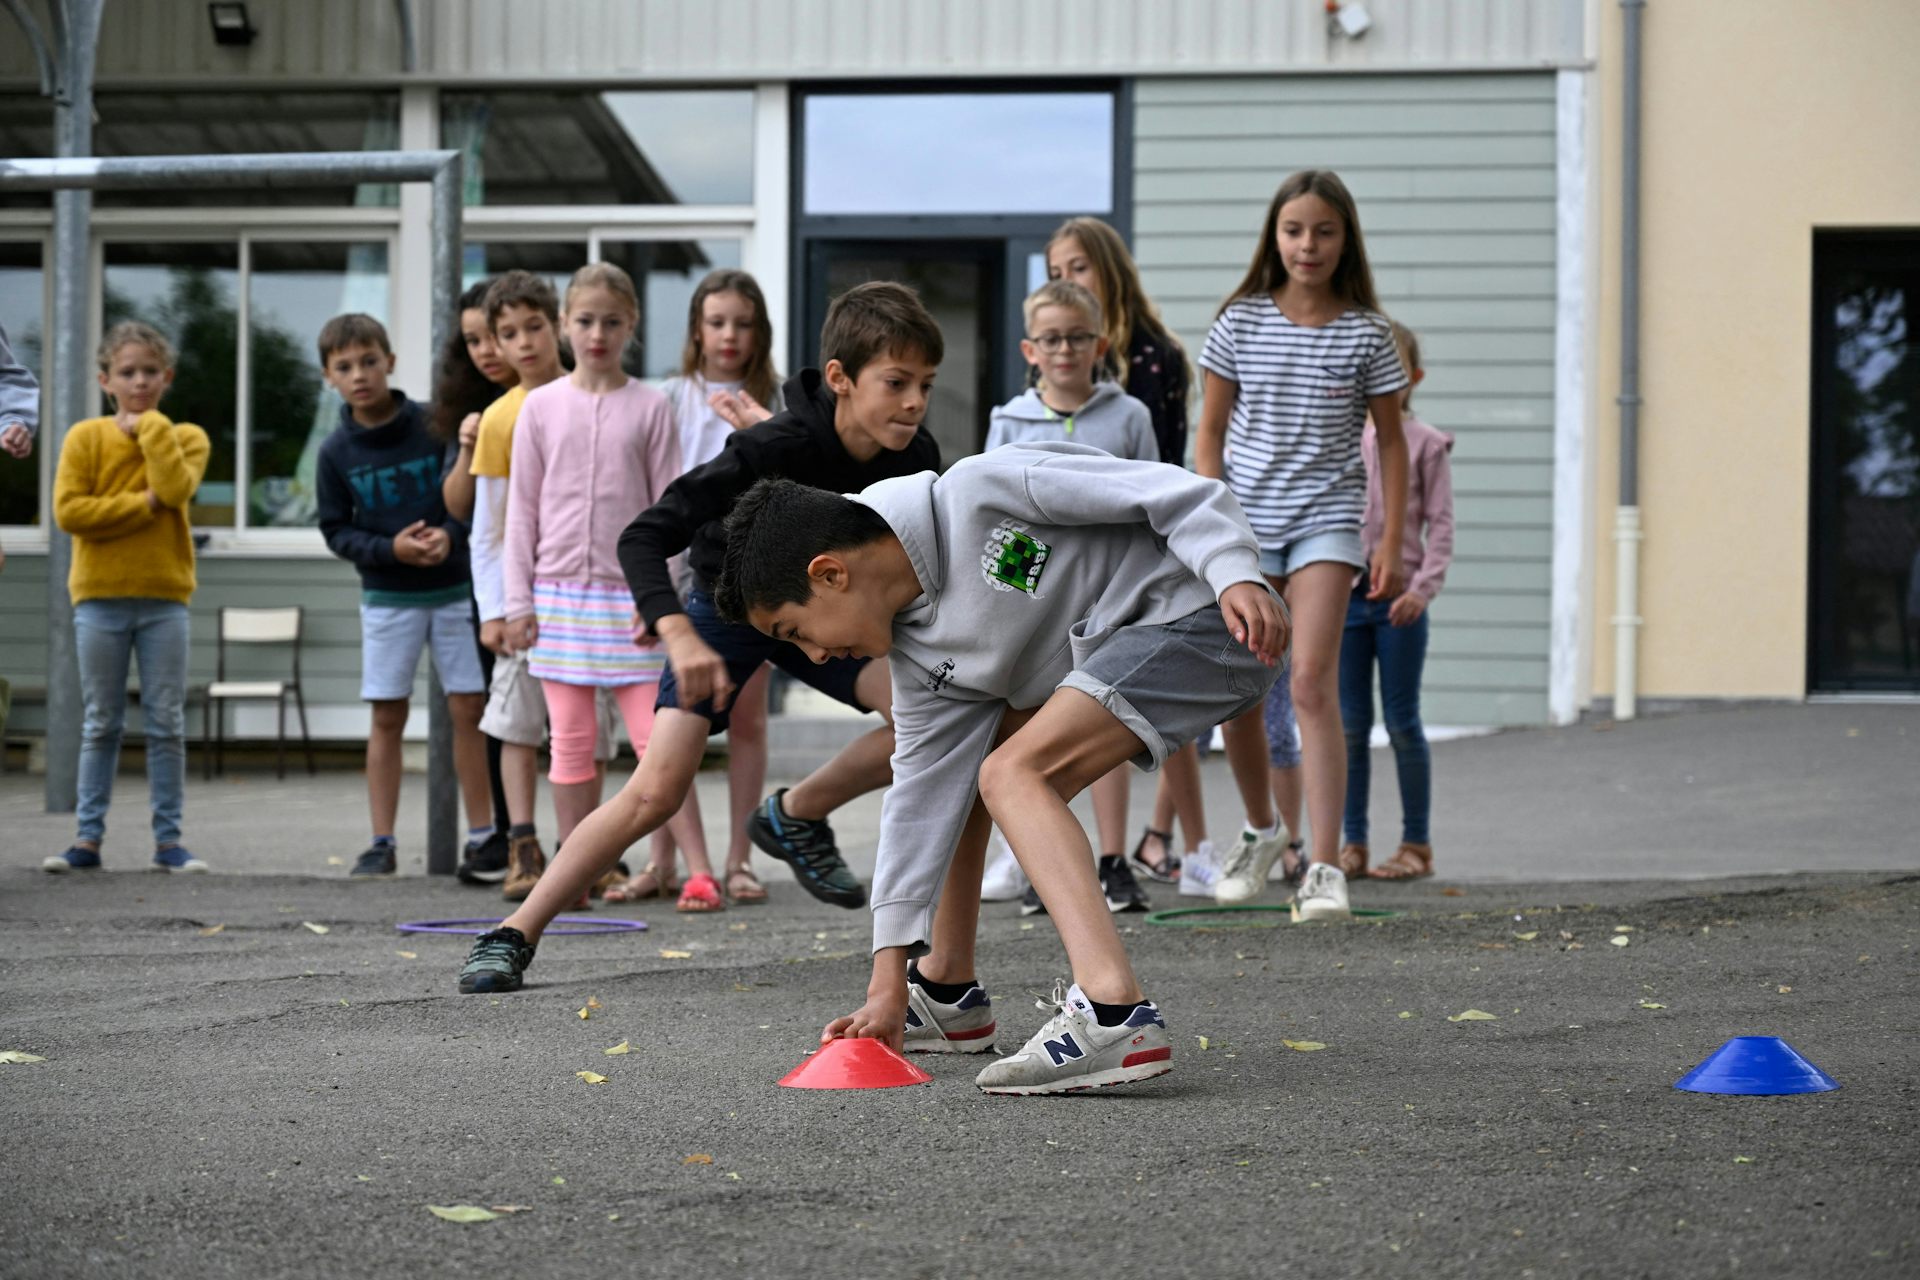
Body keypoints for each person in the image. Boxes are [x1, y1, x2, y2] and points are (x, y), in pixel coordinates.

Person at [713, 444, 1286, 1094]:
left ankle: (1113, 1012)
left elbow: (1177, 492)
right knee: (978, 768)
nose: (815, 657)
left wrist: (1233, 571)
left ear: (829, 574)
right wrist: (887, 983)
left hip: (1207, 618)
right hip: (1133, 653)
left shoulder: (986, 491)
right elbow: (920, 802)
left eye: (795, 632)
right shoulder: (919, 661)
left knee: (1014, 774)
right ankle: (947, 988)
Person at [452, 281, 943, 994]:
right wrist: (677, 631)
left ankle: (795, 813)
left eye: (925, 385)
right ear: (839, 379)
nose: (914, 402)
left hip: (827, 616)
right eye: (896, 383)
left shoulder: (914, 457)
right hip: (727, 614)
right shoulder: (773, 444)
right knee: (656, 791)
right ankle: (513, 932)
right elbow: (643, 535)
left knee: (924, 723)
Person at [1198, 169, 1410, 920]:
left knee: (1312, 683)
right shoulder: (1241, 322)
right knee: (1241, 687)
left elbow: (1391, 444)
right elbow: (1211, 434)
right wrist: (1211, 529)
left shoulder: (1367, 334)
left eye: (1323, 231)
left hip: (1327, 519)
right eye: (1294, 231)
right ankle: (1262, 830)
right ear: (1274, 237)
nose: (1307, 245)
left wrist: (1390, 537)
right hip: (1246, 524)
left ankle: (1324, 865)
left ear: (1345, 238)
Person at [501, 263, 714, 909]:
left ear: (632, 327)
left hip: (634, 600)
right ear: (566, 324)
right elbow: (521, 512)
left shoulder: (650, 407)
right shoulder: (540, 406)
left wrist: (664, 602)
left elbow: (670, 508)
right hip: (557, 597)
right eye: (586, 321)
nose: (598, 333)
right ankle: (580, 869)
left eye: (612, 322)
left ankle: (695, 870)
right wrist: (517, 601)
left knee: (660, 741)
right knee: (569, 741)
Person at [981, 279, 1158, 916]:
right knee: (1036, 723)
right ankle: (1039, 863)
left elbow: (1153, 498)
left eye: (1077, 337)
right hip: (1042, 596)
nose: (1064, 350)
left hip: (1112, 591)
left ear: (1099, 344)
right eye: (1051, 339)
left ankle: (1113, 860)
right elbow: (998, 509)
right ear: (1031, 348)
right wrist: (1008, 599)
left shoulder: (1128, 416)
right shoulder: (1008, 419)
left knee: (1107, 720)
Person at [1045, 216, 1208, 891]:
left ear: (1108, 269)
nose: (1067, 281)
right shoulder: (1055, 362)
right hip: (1070, 560)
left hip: (1138, 548)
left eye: (1078, 267)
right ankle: (1054, 842)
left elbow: (1161, 466)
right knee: (1075, 696)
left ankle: (1185, 842)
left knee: (1156, 697)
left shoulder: (1152, 358)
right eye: (1056, 271)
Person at [461, 271, 623, 901]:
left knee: (589, 727)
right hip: (528, 602)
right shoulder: (502, 418)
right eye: (508, 333)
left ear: (556, 324)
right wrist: (497, 608)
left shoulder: (597, 397)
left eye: (534, 326)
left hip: (594, 600)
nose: (524, 343)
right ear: (494, 344)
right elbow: (491, 526)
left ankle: (585, 846)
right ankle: (523, 847)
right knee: (521, 725)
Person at [314, 313, 492, 878]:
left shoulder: (432, 424)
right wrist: (391, 548)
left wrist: (449, 536)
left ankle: (484, 835)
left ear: (390, 362)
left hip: (453, 589)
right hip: (388, 597)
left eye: (369, 361)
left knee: (470, 707)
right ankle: (381, 841)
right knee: (388, 713)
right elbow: (336, 530)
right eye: (345, 367)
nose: (359, 374)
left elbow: (469, 496)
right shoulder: (335, 452)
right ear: (329, 377)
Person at [641, 268, 787, 906]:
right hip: (680, 575)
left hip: (749, 580)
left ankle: (738, 859)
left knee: (748, 718)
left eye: (743, 322)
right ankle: (661, 858)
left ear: (761, 332)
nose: (730, 335)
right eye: (717, 321)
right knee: (675, 720)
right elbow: (655, 491)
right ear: (697, 329)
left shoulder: (778, 400)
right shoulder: (669, 397)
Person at [43, 322, 210, 874]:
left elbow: (177, 489)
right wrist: (142, 504)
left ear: (168, 377)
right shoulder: (84, 438)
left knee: (166, 722)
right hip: (99, 598)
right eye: (127, 372)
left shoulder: (184, 436)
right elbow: (71, 513)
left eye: (149, 372)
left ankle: (169, 842)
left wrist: (152, 429)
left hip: (165, 599)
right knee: (101, 721)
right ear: (105, 380)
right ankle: (86, 839)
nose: (139, 382)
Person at [1341, 321, 1453, 882]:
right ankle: (1352, 842)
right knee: (1349, 726)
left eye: (1394, 368)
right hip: (1348, 600)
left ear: (1413, 378)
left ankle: (1416, 844)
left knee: (1403, 722)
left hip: (1400, 605)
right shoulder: (1342, 439)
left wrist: (1421, 589)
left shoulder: (1426, 444)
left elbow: (1442, 525)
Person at [432, 279, 516, 880]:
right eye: (472, 341)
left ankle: (593, 846)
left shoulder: (556, 396)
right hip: (491, 584)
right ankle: (508, 836)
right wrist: (466, 448)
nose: (486, 351)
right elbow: (457, 509)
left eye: (495, 336)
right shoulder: (474, 413)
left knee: (574, 719)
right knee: (499, 710)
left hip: (563, 576)